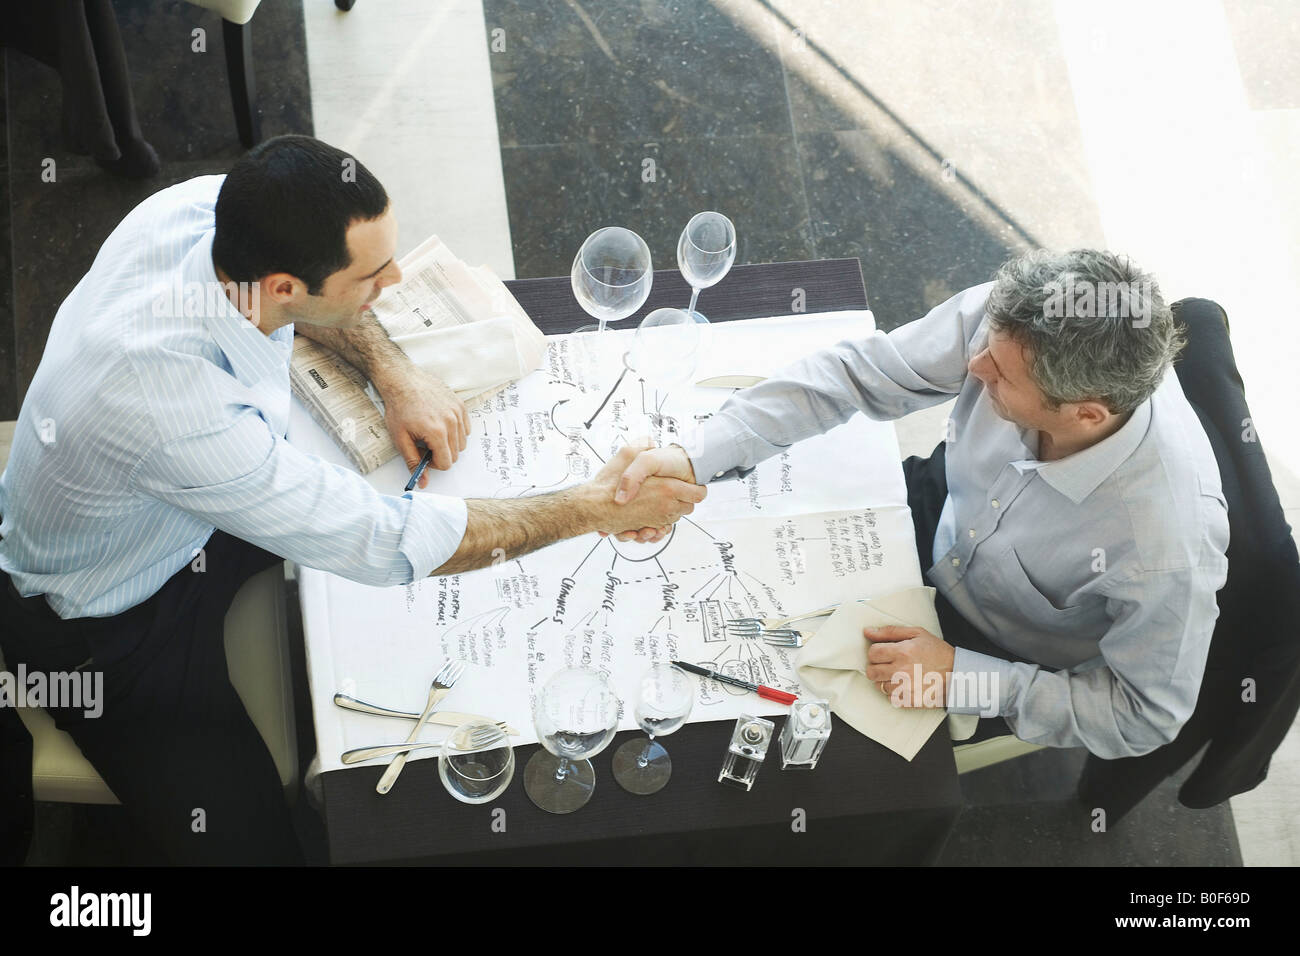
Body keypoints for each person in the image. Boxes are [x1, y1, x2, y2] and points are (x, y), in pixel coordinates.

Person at [0, 135, 705, 864]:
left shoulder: (210, 212)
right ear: (281, 285)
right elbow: (389, 540)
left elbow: (309, 297)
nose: (395, 280)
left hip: (174, 508)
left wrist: (393, 374)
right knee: (255, 850)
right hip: (103, 621)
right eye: (373, 273)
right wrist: (594, 509)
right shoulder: (176, 410)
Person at [615, 249, 1230, 760]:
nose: (973, 365)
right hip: (941, 512)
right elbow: (860, 374)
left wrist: (965, 678)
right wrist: (698, 456)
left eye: (999, 378)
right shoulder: (1018, 320)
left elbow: (1145, 716)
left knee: (802, 748)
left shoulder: (1165, 548)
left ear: (1086, 414)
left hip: (994, 647)